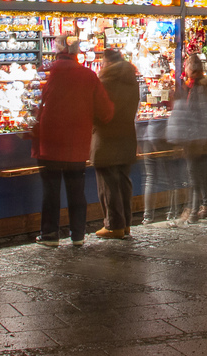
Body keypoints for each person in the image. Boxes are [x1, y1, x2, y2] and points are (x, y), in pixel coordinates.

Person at [33, 36, 113, 244]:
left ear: (57, 50)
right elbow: (106, 112)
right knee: (76, 190)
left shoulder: (47, 72)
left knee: (50, 191)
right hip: (77, 144)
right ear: (77, 52)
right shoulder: (88, 75)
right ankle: (77, 234)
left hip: (49, 143)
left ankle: (50, 234)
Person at [92, 47, 140, 238]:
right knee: (123, 180)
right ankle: (126, 223)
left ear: (107, 62)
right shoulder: (131, 81)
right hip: (127, 135)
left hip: (106, 137)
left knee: (108, 183)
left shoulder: (105, 82)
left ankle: (113, 225)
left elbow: (98, 110)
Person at [167, 55, 207, 223]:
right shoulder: (194, 86)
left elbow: (203, 113)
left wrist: (201, 135)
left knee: (194, 174)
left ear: (191, 68)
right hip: (198, 136)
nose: (185, 69)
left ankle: (194, 211)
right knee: (200, 172)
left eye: (186, 66)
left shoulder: (199, 87)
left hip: (197, 137)